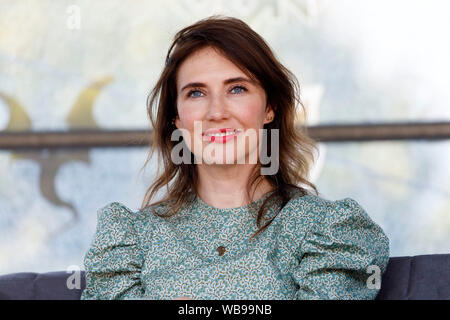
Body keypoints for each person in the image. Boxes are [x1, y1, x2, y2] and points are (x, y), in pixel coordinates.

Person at [81, 15, 389, 300]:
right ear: (176, 119)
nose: (217, 112)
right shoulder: (129, 242)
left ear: (271, 108)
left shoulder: (329, 232)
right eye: (196, 93)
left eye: (237, 89)